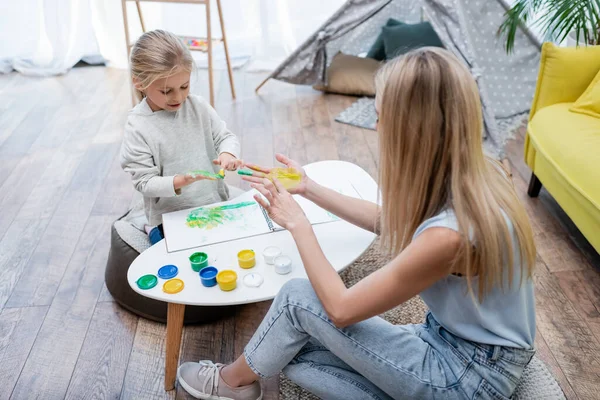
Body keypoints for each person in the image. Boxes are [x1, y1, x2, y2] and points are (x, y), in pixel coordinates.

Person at [177, 47, 537, 400]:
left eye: (381, 115)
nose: (376, 125)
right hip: (451, 342)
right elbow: (393, 222)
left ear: (412, 129)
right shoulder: (479, 172)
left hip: (468, 377)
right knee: (292, 357)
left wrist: (298, 223)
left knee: (295, 300)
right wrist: (309, 188)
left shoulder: (448, 237)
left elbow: (341, 308)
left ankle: (230, 382)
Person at [120, 30, 242, 244]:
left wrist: (228, 153)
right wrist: (179, 181)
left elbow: (225, 137)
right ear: (139, 83)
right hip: (170, 218)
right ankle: (147, 227)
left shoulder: (198, 107)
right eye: (166, 91)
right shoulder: (138, 126)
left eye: (184, 86)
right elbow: (144, 182)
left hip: (214, 204)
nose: (178, 97)